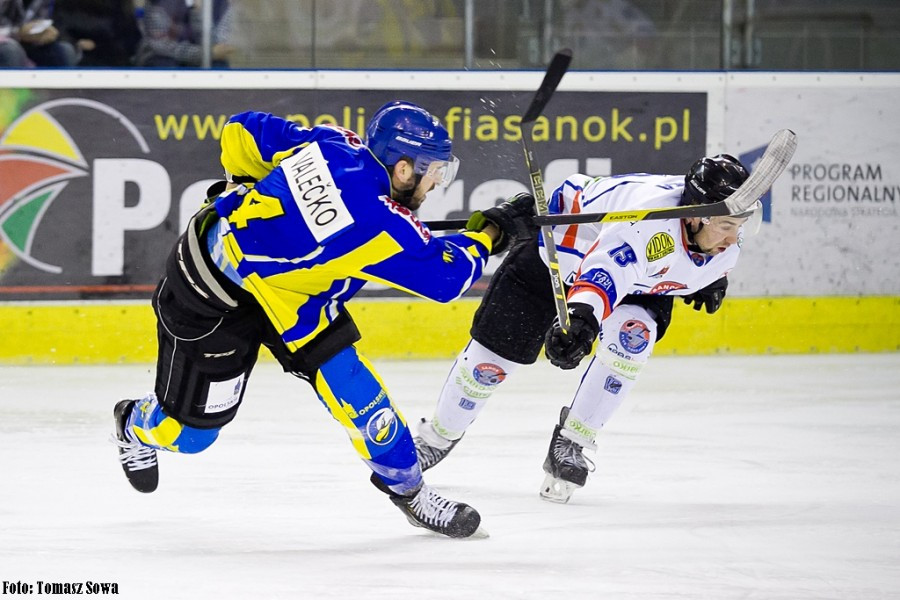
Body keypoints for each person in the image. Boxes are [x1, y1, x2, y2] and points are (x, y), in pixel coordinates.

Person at [109, 101, 536, 538]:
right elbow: (447, 277)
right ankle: (133, 424)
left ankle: (411, 491)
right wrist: (491, 232)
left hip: (295, 300)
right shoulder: (378, 223)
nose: (435, 184)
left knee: (359, 392)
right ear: (404, 169)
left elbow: (241, 130)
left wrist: (249, 187)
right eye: (435, 173)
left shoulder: (336, 141)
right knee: (190, 436)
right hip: (215, 295)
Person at [413, 154, 756, 503]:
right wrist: (583, 320)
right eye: (727, 227)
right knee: (490, 364)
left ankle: (573, 440)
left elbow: (686, 262)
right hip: (561, 252)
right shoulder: (646, 227)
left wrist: (708, 277)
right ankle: (438, 436)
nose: (733, 237)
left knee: (633, 339)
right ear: (697, 214)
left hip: (637, 281)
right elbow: (603, 273)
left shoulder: (717, 234)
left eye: (738, 226)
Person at [134, 0, 233, 67]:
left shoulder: (222, 4)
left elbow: (218, 47)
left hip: (199, 60)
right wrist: (204, 53)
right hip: (163, 59)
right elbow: (161, 45)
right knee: (164, 64)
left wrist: (198, 11)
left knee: (219, 67)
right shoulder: (158, 3)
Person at [53, 0, 142, 67]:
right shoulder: (66, 4)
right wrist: (76, 44)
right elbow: (59, 29)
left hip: (112, 56)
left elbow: (130, 39)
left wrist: (99, 46)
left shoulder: (120, 4)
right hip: (76, 55)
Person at [0, 0, 79, 67]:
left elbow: (56, 22)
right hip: (6, 41)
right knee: (11, 50)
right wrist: (17, 32)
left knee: (65, 50)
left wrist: (49, 33)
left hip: (31, 44)